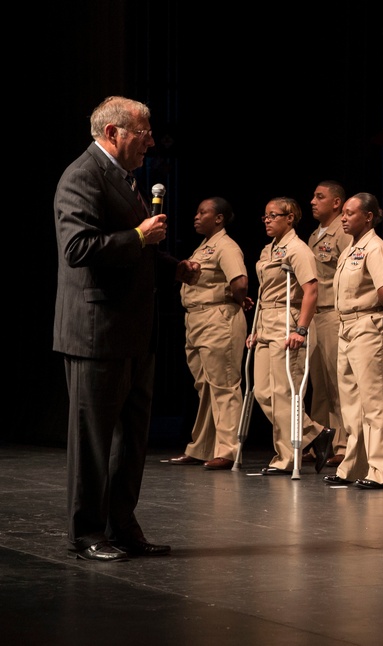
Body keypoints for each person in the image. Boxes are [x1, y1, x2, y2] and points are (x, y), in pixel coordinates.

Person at [54, 95, 200, 561]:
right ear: (114, 132)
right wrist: (139, 236)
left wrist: (171, 265)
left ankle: (122, 527)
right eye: (144, 131)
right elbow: (77, 248)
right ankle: (86, 533)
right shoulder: (82, 175)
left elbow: (133, 250)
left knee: (131, 440)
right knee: (94, 441)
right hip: (97, 332)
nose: (152, 140)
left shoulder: (124, 178)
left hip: (134, 333)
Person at [248, 197, 333, 475]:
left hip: (289, 319)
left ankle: (287, 457)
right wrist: (256, 330)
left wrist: (302, 329)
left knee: (285, 393)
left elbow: (311, 290)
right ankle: (316, 433)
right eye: (265, 216)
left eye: (274, 215)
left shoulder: (297, 249)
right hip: (267, 322)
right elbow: (264, 293)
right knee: (262, 392)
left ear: (290, 218)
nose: (268, 220)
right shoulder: (268, 250)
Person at [321, 193, 383, 489]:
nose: (343, 217)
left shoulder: (375, 247)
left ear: (368, 217)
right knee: (352, 403)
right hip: (347, 326)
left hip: (369, 324)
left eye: (350, 213)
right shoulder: (350, 249)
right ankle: (354, 466)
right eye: (343, 213)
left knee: (376, 401)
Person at [169, 197, 253, 471]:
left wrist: (240, 299)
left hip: (218, 318)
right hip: (197, 319)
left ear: (218, 218)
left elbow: (240, 281)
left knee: (224, 385)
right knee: (204, 386)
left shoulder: (226, 246)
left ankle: (229, 449)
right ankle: (202, 446)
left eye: (202, 212)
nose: (196, 216)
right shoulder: (203, 247)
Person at [307, 181, 352, 468]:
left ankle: (344, 443)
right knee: (319, 384)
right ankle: (319, 440)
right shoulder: (314, 235)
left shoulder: (342, 232)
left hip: (334, 312)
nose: (312, 201)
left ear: (336, 203)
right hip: (316, 315)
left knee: (338, 383)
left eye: (319, 196)